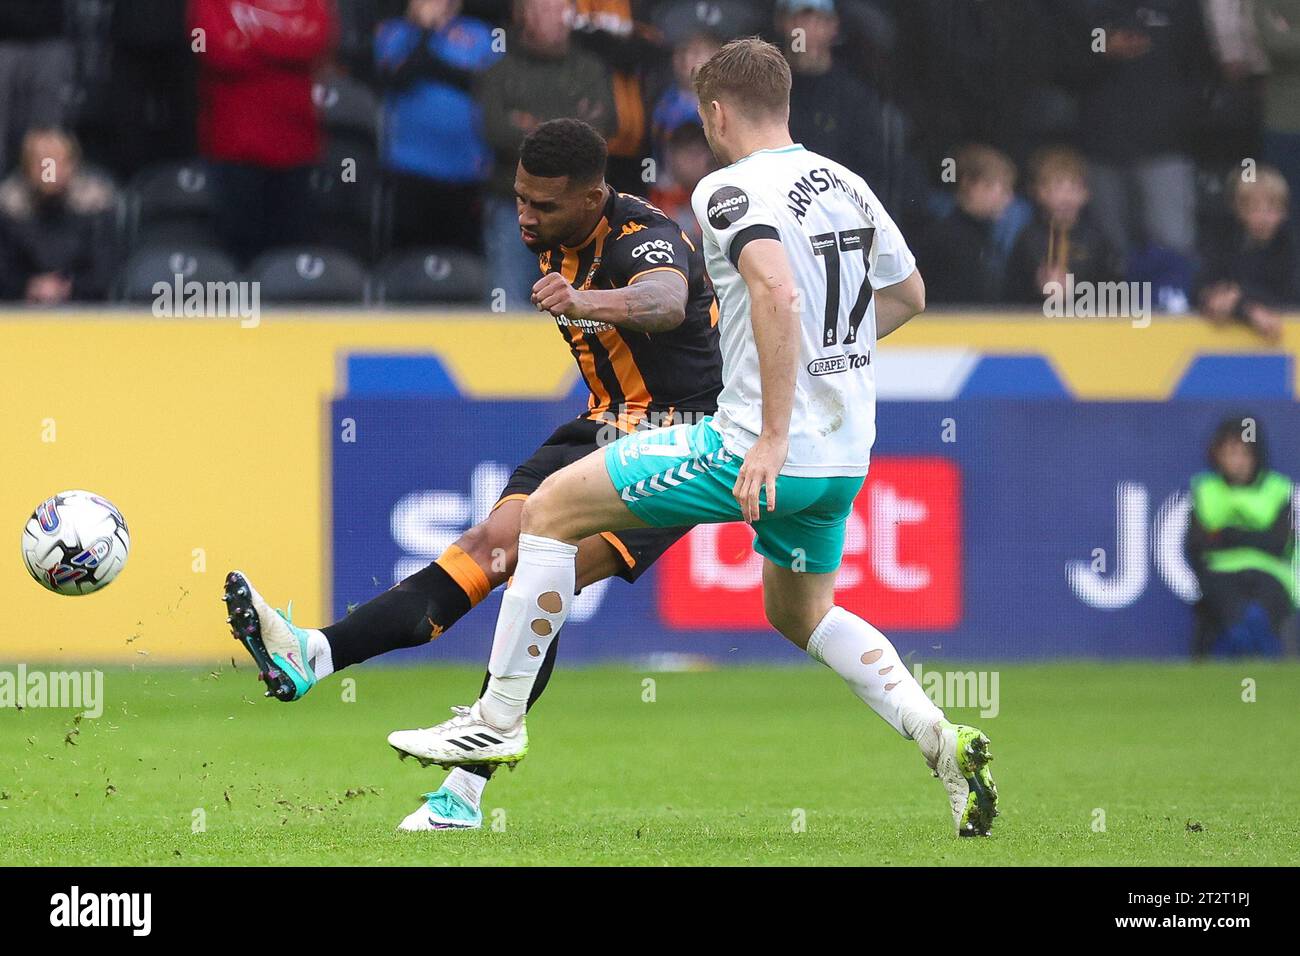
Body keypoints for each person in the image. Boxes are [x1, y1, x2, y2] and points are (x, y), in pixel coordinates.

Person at [388, 38, 999, 837]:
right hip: (843, 458)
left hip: (746, 446)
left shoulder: (728, 189)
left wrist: (771, 436)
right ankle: (941, 740)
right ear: (785, 102)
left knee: (545, 512)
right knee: (803, 612)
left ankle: (498, 720)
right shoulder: (847, 183)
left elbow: (775, 286)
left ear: (715, 112)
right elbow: (910, 293)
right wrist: (820, 369)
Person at [223, 118, 723, 831]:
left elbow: (665, 301)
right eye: (518, 198)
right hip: (602, 422)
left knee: (542, 576)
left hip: (679, 441)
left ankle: (461, 790)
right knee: (494, 544)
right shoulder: (543, 230)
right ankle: (315, 655)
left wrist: (585, 302)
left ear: (592, 197)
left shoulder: (645, 237)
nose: (525, 216)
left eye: (543, 205)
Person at [477, 0, 617, 309]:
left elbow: (604, 128)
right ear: (523, 14)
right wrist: (569, 124)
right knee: (509, 303)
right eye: (544, 8)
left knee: (579, 305)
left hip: (579, 213)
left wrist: (530, 125)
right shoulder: (500, 70)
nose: (556, 17)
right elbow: (495, 132)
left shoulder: (590, 68)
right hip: (513, 208)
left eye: (561, 8)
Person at [189, 0, 337, 264]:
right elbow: (219, 50)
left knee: (291, 262)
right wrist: (286, 34)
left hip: (297, 146)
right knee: (238, 258)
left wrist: (252, 37)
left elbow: (316, 41)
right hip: (234, 147)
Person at [375, 0, 502, 252]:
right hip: (408, 169)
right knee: (407, 263)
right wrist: (425, 30)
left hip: (466, 172)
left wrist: (431, 66)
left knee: (462, 266)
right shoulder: (394, 32)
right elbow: (399, 77)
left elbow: (485, 86)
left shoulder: (482, 34)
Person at [1185, 417, 1297, 658]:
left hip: (1269, 573)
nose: (1237, 462)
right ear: (1218, 456)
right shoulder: (1205, 490)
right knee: (1235, 616)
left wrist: (1229, 535)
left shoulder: (1277, 489)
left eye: (1243, 454)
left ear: (1256, 455)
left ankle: (1266, 663)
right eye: (1230, 454)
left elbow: (1278, 542)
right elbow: (1196, 543)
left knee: (1261, 614)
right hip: (1220, 573)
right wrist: (1252, 537)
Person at [0, 128, 116, 304]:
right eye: (40, 162)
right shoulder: (9, 208)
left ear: (72, 165)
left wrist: (66, 288)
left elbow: (104, 273)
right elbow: (5, 271)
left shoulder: (96, 206)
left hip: (86, 312)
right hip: (18, 311)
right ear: (26, 167)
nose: (49, 170)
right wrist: (31, 286)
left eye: (56, 161)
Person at [1006, 146, 1123, 304]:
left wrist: (1075, 290)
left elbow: (1113, 288)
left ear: (1086, 193)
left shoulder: (1097, 238)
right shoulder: (1028, 238)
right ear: (1039, 192)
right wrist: (1038, 285)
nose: (1066, 197)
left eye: (1074, 187)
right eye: (1057, 187)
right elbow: (1012, 288)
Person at [1197, 166, 1298, 343]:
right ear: (1239, 210)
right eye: (1255, 209)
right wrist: (1240, 306)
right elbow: (1204, 288)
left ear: (1284, 212)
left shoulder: (1291, 248)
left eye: (1272, 209)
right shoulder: (1223, 245)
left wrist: (1241, 300)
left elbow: (1287, 295)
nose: (1264, 218)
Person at [914, 143, 1018, 303]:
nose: (1009, 198)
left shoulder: (981, 237)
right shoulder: (946, 239)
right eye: (1002, 188)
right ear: (974, 186)